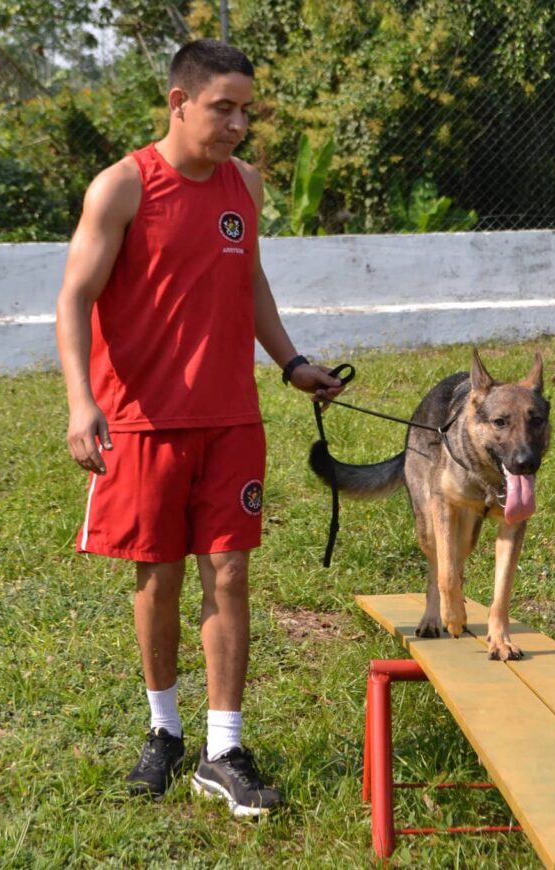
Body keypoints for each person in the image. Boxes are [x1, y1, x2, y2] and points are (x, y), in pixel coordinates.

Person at [55, 38, 343, 815]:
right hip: (144, 424)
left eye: (247, 109)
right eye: (224, 108)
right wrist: (84, 403)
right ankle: (164, 730)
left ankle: (224, 747)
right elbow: (74, 299)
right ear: (179, 103)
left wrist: (291, 363)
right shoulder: (121, 188)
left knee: (230, 573)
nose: (239, 124)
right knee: (159, 576)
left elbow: (248, 282)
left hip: (230, 421)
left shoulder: (243, 185)